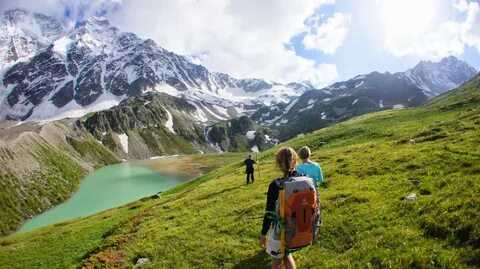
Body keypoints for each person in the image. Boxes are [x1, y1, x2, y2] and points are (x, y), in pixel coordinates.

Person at [259, 147, 298, 269]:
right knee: (287, 254)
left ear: (278, 164)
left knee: (277, 259)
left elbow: (269, 212)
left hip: (280, 229)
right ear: (295, 161)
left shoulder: (275, 185)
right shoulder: (304, 178)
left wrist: (263, 233)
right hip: (298, 226)